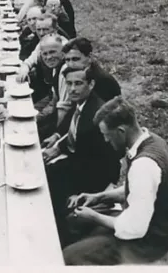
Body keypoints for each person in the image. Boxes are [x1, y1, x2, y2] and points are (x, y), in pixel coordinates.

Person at [62, 96, 168, 265]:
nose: (106, 140)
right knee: (75, 222)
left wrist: (94, 216)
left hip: (150, 241)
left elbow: (132, 230)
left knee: (69, 256)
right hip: (147, 223)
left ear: (121, 131)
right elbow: (135, 188)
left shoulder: (144, 165)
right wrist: (99, 197)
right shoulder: (151, 140)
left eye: (107, 135)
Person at [40, 67, 121, 244]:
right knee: (43, 171)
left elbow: (106, 163)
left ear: (91, 84)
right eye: (69, 84)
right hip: (82, 164)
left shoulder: (93, 115)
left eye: (78, 83)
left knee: (46, 186)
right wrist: (57, 146)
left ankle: (59, 240)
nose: (72, 89)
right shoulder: (82, 103)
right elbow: (70, 131)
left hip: (95, 176)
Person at [24, 35, 66, 140]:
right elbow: (53, 99)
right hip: (53, 108)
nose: (48, 57)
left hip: (64, 122)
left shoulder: (64, 72)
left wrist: (56, 135)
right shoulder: (55, 68)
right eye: (45, 54)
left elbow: (64, 108)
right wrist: (36, 115)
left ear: (62, 52)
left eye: (53, 52)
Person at [59, 38, 121, 104]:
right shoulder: (71, 75)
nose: (70, 64)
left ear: (89, 57)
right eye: (67, 60)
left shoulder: (102, 80)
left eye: (75, 59)